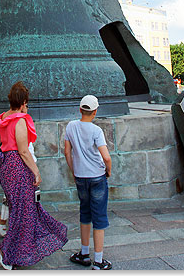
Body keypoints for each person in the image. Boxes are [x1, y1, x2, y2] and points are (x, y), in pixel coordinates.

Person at [0, 81, 68, 270]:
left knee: (18, 210)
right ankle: (4, 252)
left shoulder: (1, 118)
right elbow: (24, 151)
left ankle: (12, 252)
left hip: (4, 166)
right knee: (23, 212)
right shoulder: (20, 120)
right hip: (18, 167)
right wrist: (36, 171)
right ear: (24, 101)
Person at [64, 95, 112, 270]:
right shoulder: (96, 131)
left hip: (81, 177)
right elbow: (106, 156)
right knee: (99, 217)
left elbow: (67, 152)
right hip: (97, 177)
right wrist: (109, 170)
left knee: (85, 214)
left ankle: (84, 254)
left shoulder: (71, 126)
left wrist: (74, 170)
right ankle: (98, 261)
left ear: (80, 110)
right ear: (95, 112)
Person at [0, 141, 37, 237]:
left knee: (13, 195)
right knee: (18, 196)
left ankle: (5, 221)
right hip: (19, 160)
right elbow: (24, 151)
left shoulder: (1, 125)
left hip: (9, 160)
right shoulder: (20, 125)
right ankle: (14, 227)